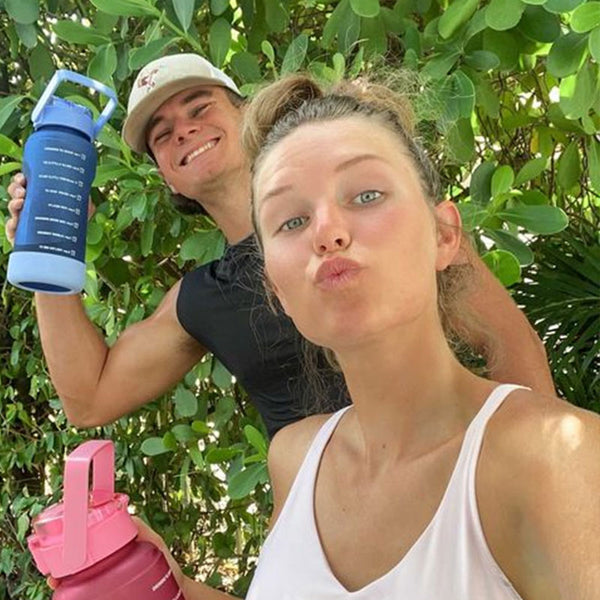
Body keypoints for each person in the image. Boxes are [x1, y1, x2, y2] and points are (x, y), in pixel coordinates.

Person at [139, 74, 600, 600]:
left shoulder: (553, 458)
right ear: (276, 289)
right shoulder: (295, 457)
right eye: (291, 221)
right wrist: (169, 587)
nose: (327, 231)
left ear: (445, 235)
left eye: (366, 194)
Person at [5, 53, 554, 441]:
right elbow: (88, 398)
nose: (184, 131)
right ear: (167, 179)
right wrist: (51, 247)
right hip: (324, 536)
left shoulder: (384, 215)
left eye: (200, 108)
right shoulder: (202, 298)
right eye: (162, 134)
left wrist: (517, 477)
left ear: (247, 118)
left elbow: (510, 344)